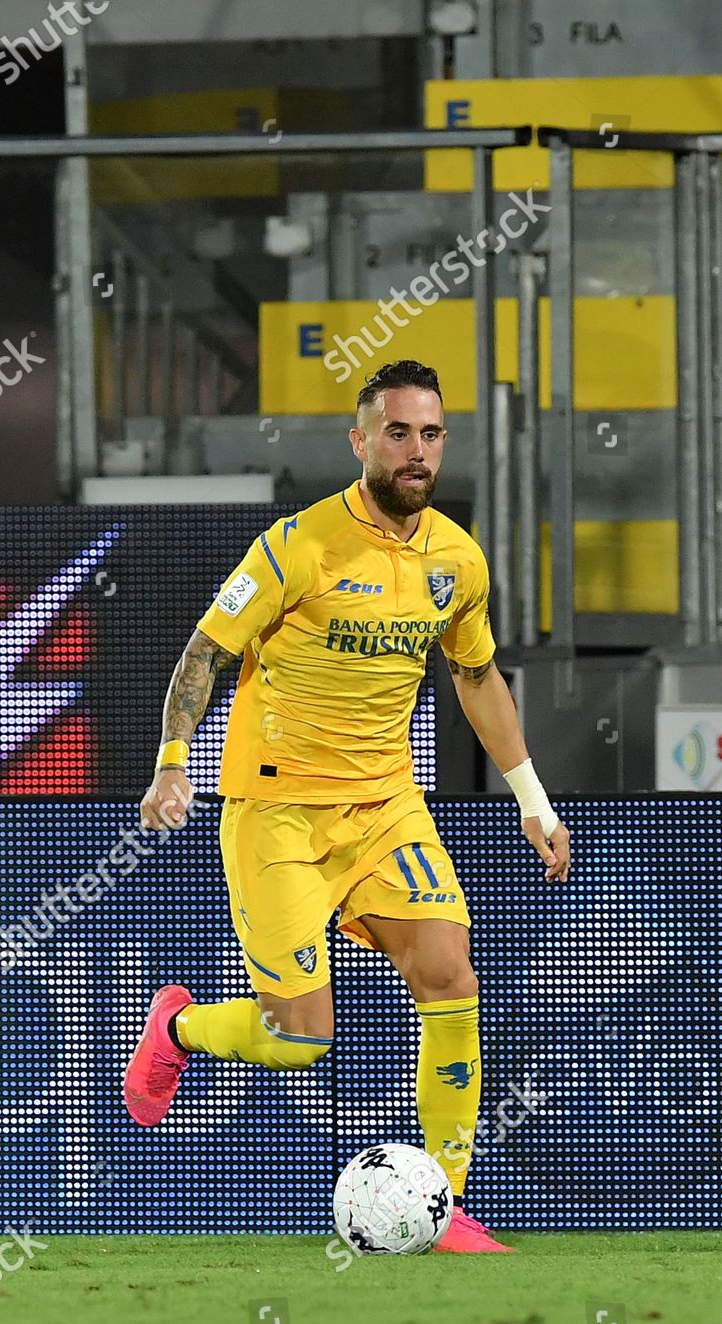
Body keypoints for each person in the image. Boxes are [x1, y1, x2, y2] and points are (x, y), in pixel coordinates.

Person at [124, 358, 570, 1252]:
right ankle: (177, 1027)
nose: (417, 451)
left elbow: (476, 675)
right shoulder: (299, 545)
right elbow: (203, 654)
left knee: (451, 976)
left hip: (385, 809)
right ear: (361, 440)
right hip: (279, 812)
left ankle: (440, 1205)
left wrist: (532, 798)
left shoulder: (457, 557)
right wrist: (173, 763)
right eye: (398, 432)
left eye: (432, 434)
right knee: (301, 1040)